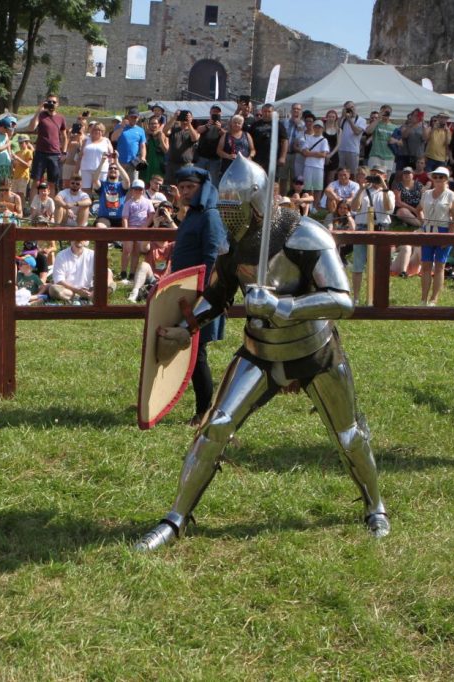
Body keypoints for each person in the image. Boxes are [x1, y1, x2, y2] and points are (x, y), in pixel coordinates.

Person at [135, 156, 389, 552]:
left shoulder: (306, 235)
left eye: (236, 208)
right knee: (215, 426)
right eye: (226, 209)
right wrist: (186, 328)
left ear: (257, 203)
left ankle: (376, 506)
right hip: (259, 350)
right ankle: (176, 518)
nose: (230, 217)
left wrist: (282, 306)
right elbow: (216, 297)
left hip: (314, 350)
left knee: (348, 435)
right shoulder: (235, 248)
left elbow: (343, 300)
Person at [167, 165, 227, 425]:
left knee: (197, 351)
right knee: (183, 348)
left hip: (201, 296)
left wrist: (204, 298)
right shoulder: (192, 215)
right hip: (185, 294)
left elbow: (213, 258)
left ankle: (205, 411)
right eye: (181, 188)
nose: (185, 192)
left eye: (190, 187)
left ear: (203, 187)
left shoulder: (211, 216)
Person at [349, 166, 395, 304]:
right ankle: (356, 298)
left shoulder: (388, 192)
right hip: (363, 227)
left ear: (384, 176)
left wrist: (384, 186)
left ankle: (375, 297)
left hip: (380, 229)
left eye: (379, 175)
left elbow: (388, 208)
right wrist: (362, 188)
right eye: (373, 175)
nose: (375, 178)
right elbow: (354, 207)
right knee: (358, 265)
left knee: (377, 266)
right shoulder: (363, 191)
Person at [418, 167, 454, 306]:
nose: (437, 179)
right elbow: (419, 210)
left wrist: (449, 237)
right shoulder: (426, 194)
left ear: (446, 179)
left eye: (441, 177)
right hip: (428, 230)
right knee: (426, 266)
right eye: (435, 176)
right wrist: (423, 223)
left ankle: (434, 299)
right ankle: (423, 298)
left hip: (443, 230)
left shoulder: (452, 195)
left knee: (440, 266)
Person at [27, 94, 67, 191]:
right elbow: (31, 128)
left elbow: (64, 137)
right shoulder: (41, 115)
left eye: (54, 102)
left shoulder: (61, 118)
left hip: (55, 153)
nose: (51, 104)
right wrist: (39, 110)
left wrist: (64, 152)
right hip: (40, 152)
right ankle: (33, 206)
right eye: (49, 102)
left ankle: (51, 205)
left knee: (52, 183)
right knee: (36, 182)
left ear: (58, 104)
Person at [111, 107, 147, 183]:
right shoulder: (119, 126)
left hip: (134, 162)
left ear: (138, 118)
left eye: (135, 117)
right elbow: (113, 138)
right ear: (128, 117)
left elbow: (142, 146)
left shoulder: (140, 130)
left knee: (133, 184)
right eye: (132, 117)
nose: (133, 119)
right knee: (119, 183)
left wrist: (143, 157)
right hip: (120, 161)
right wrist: (122, 127)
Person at [94, 157, 131, 230]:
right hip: (104, 218)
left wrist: (117, 162)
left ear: (119, 172)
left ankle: (116, 241)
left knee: (128, 230)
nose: (113, 169)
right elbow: (95, 180)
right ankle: (109, 241)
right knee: (100, 227)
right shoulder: (103, 185)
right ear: (107, 172)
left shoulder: (121, 185)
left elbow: (127, 181)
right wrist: (102, 161)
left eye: (115, 168)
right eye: (110, 168)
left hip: (120, 218)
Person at [194, 104, 225, 184]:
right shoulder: (204, 121)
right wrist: (207, 125)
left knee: (213, 181)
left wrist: (220, 129)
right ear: (210, 112)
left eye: (217, 112)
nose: (215, 113)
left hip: (215, 158)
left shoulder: (224, 124)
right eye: (214, 112)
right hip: (202, 156)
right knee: (198, 180)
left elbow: (226, 135)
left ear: (221, 113)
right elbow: (198, 130)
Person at [336, 101, 367, 173]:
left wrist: (349, 120)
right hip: (341, 150)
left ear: (355, 107)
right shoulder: (343, 119)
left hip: (353, 150)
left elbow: (357, 132)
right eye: (348, 108)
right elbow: (336, 128)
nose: (351, 109)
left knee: (353, 173)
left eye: (352, 107)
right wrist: (342, 116)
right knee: (340, 173)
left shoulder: (362, 120)